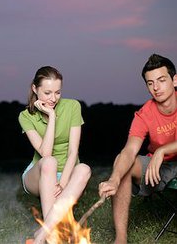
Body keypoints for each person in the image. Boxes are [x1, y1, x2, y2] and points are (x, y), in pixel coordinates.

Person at [98, 54, 177, 244]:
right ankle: (121, 239)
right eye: (150, 83)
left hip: (163, 157)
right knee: (123, 164)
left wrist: (161, 150)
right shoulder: (144, 114)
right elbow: (129, 150)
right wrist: (114, 179)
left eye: (161, 80)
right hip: (161, 168)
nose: (156, 88)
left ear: (174, 80)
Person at [19, 66, 91, 243]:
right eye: (47, 93)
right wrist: (51, 116)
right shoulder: (25, 116)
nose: (53, 98)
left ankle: (42, 236)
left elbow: (74, 150)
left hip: (67, 171)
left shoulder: (73, 106)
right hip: (41, 173)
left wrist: (64, 182)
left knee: (84, 168)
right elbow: (45, 153)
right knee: (50, 161)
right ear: (35, 89)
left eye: (57, 93)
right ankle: (51, 234)